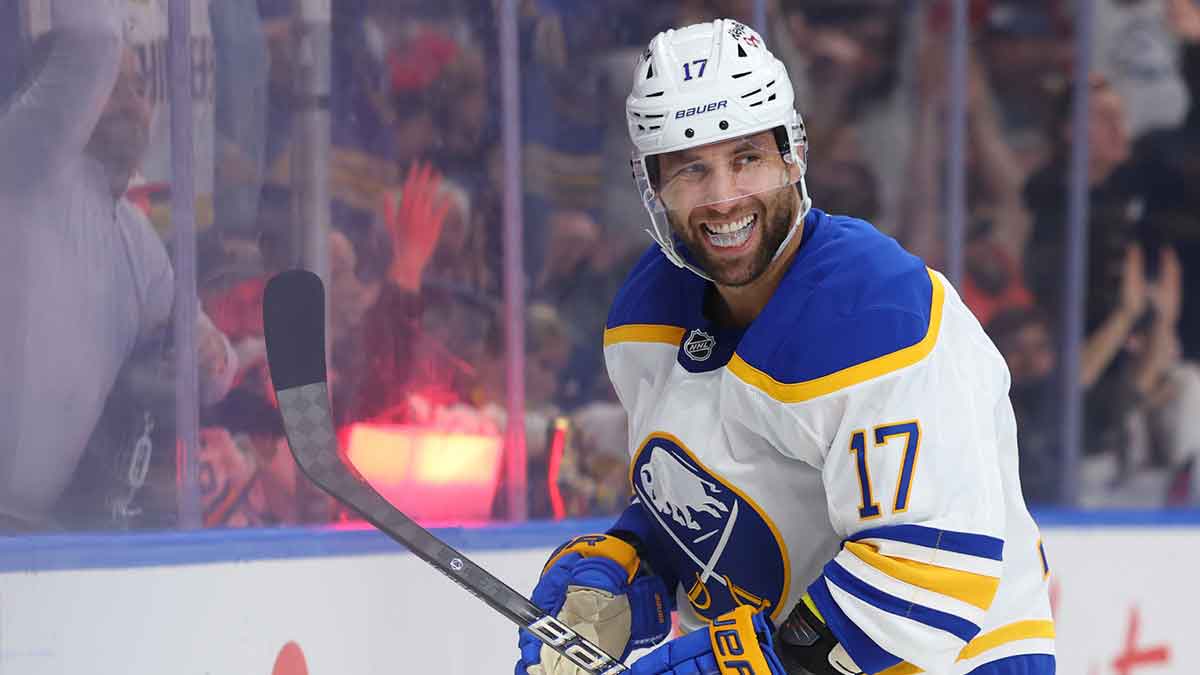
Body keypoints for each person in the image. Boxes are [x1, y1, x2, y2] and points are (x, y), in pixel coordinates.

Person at [515, 19, 1054, 675]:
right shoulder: (648, 314)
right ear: (652, 186)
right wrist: (630, 566)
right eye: (691, 169)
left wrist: (739, 664)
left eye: (746, 158)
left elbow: (926, 581)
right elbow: (718, 498)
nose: (723, 198)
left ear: (791, 156)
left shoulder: (876, 309)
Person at [0, 0, 236, 530]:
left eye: (140, 87)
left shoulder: (134, 237)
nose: (133, 102)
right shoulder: (21, 169)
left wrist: (210, 355)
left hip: (44, 534)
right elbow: (93, 38)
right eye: (114, 84)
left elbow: (213, 362)